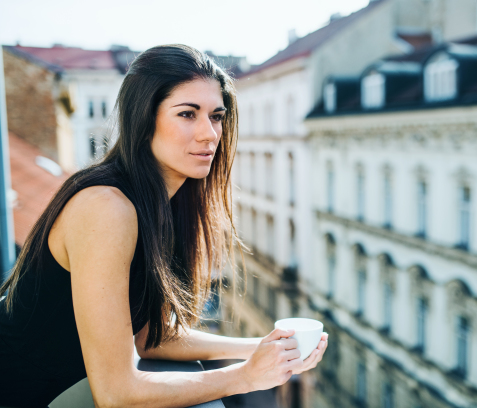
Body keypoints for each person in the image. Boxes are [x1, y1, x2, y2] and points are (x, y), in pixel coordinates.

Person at [0, 44, 328, 407]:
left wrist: (266, 347)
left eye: (216, 116)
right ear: (144, 119)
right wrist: (246, 376)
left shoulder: (159, 205)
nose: (210, 134)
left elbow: (151, 337)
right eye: (187, 114)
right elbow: (116, 393)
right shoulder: (107, 207)